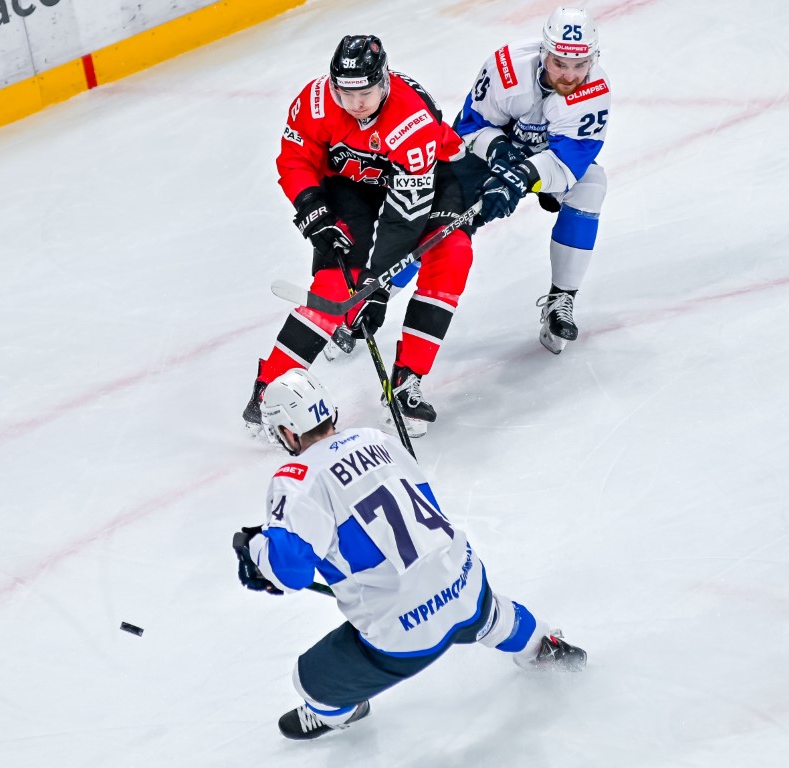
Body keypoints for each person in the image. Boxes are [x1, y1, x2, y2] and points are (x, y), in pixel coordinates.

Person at [232, 369, 586, 740]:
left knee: (308, 682)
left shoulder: (296, 479)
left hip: (402, 635)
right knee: (488, 613)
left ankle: (343, 711)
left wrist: (256, 549)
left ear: (289, 431)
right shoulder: (376, 438)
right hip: (465, 581)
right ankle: (544, 647)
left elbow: (290, 573)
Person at [242, 34, 480, 439]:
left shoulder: (412, 120)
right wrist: (312, 207)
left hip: (433, 177)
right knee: (337, 284)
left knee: (452, 253)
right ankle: (270, 386)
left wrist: (378, 287)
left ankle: (407, 379)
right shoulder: (317, 101)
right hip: (355, 182)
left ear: (384, 80)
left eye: (365, 93)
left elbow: (404, 218)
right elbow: (296, 157)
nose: (355, 104)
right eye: (345, 94)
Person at [456, 7, 611, 354]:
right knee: (443, 216)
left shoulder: (596, 92)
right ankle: (377, 295)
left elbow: (567, 163)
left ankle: (561, 299)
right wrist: (499, 155)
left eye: (580, 65)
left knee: (591, 185)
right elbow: (468, 127)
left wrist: (522, 176)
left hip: (543, 160)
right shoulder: (506, 67)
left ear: (593, 59)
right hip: (487, 152)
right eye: (560, 63)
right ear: (544, 52)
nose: (570, 76)